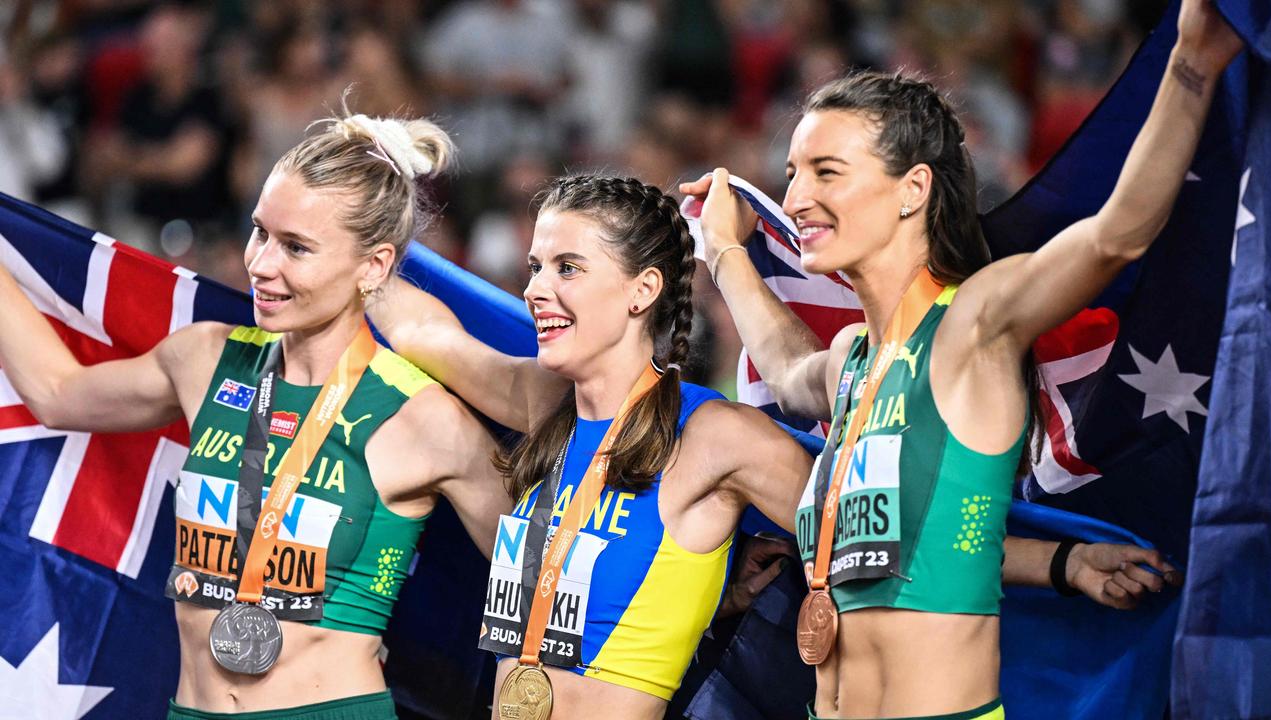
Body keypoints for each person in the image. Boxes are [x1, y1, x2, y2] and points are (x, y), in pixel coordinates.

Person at [677, 1, 1239, 717]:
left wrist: (1191, 63)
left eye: (827, 172)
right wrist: (723, 249)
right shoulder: (853, 360)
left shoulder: (974, 323)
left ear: (913, 188)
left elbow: (1115, 237)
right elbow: (787, 370)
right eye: (793, 173)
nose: (797, 198)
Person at [0, 111, 511, 719]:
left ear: (373, 266)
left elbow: (539, 588)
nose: (262, 265)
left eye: (296, 248)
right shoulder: (203, 359)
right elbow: (58, 391)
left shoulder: (426, 420)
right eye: (259, 232)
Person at [369, 174, 816, 720]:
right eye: (535, 267)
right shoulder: (546, 403)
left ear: (643, 289)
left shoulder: (715, 436)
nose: (534, 289)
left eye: (568, 267)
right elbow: (421, 333)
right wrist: (353, 232)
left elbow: (866, 539)